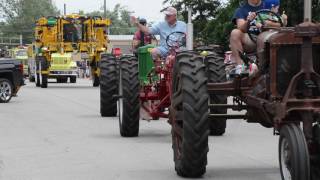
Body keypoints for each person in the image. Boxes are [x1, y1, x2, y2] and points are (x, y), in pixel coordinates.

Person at [230, 0, 265, 75]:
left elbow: (279, 23)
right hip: (251, 39)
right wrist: (248, 21)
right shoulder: (241, 10)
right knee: (235, 33)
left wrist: (283, 20)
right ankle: (240, 66)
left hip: (268, 38)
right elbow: (241, 28)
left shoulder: (269, 5)